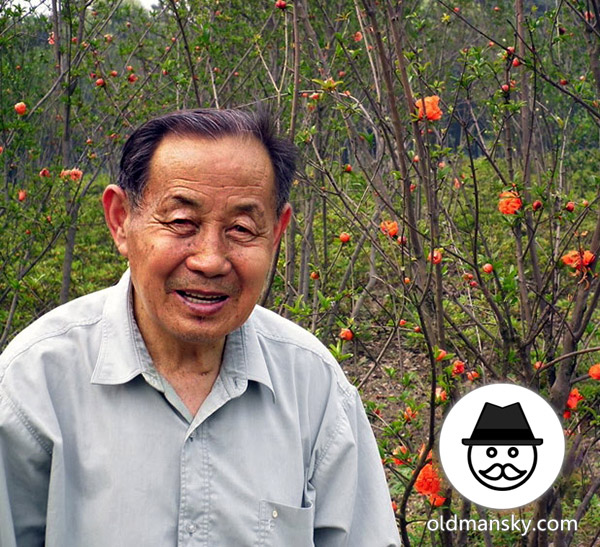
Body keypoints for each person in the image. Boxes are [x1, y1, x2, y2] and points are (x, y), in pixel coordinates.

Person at [0, 109, 401, 546]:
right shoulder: (32, 383)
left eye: (242, 228)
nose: (210, 259)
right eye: (181, 223)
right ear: (121, 220)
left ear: (277, 233)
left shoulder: (314, 386)